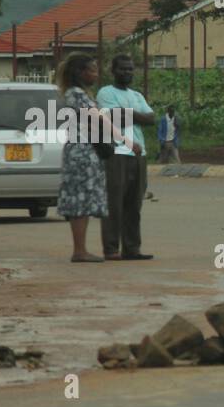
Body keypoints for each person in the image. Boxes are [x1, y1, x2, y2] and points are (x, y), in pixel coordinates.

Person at [54, 54, 140, 263]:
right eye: (92, 70)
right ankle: (79, 250)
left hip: (83, 150)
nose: (95, 74)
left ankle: (81, 249)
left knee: (81, 201)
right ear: (80, 73)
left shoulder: (77, 94)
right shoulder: (78, 95)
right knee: (80, 202)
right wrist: (127, 142)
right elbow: (98, 121)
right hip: (82, 153)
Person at [95, 54, 155, 260]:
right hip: (116, 152)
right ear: (113, 71)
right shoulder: (105, 92)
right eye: (122, 69)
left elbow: (151, 118)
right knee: (114, 203)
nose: (127, 72)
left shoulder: (137, 95)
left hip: (139, 154)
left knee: (134, 204)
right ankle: (111, 248)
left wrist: (128, 113)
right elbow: (112, 116)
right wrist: (136, 116)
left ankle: (132, 248)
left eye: (130, 69)